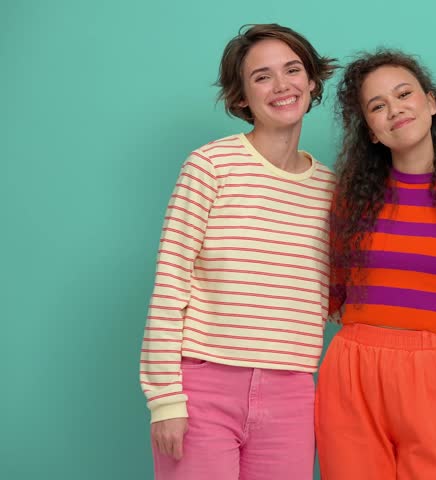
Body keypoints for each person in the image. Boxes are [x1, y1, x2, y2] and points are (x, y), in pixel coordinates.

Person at [139, 23, 337, 480]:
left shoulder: (330, 190)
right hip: (203, 386)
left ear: (311, 81)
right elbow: (171, 282)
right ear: (242, 96)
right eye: (262, 76)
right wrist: (165, 398)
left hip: (291, 391)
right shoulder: (210, 167)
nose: (282, 85)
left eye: (293, 70)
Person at [315, 49, 436, 480]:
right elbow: (327, 295)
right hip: (352, 373)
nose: (394, 109)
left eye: (403, 94)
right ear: (372, 132)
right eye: (377, 106)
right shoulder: (351, 201)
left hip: (434, 371)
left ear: (431, 103)